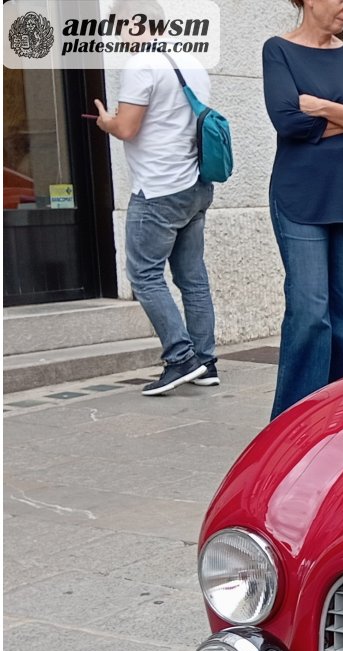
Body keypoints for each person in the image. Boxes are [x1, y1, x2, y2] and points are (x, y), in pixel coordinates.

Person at [262, 0, 343, 420]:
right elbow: (287, 121)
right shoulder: (278, 50)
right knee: (310, 310)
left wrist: (321, 107)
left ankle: (341, 412)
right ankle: (295, 419)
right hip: (300, 197)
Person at [92, 6, 218, 397]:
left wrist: (105, 120)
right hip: (194, 186)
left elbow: (128, 128)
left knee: (145, 276)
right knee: (192, 278)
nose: (117, 35)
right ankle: (206, 360)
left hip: (159, 190)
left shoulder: (140, 64)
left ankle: (181, 358)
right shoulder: (190, 61)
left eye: (119, 26)